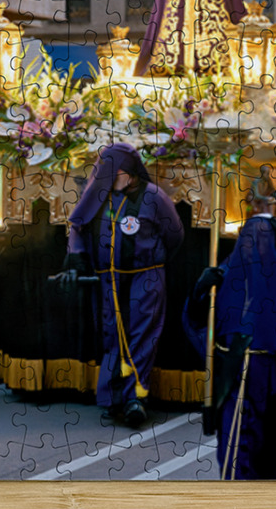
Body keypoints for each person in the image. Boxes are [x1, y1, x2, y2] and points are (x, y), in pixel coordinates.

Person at [184, 179, 276, 480]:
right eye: (248, 241)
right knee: (235, 454)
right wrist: (199, 292)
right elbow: (201, 328)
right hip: (236, 383)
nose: (254, 250)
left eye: (262, 244)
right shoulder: (226, 281)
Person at [60, 144, 184, 428]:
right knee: (112, 335)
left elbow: (174, 235)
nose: (107, 179)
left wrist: (151, 261)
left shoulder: (154, 197)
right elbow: (78, 225)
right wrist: (76, 257)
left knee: (141, 333)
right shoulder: (99, 194)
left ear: (130, 174)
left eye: (114, 174)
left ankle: (135, 399)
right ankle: (112, 397)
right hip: (108, 279)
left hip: (146, 276)